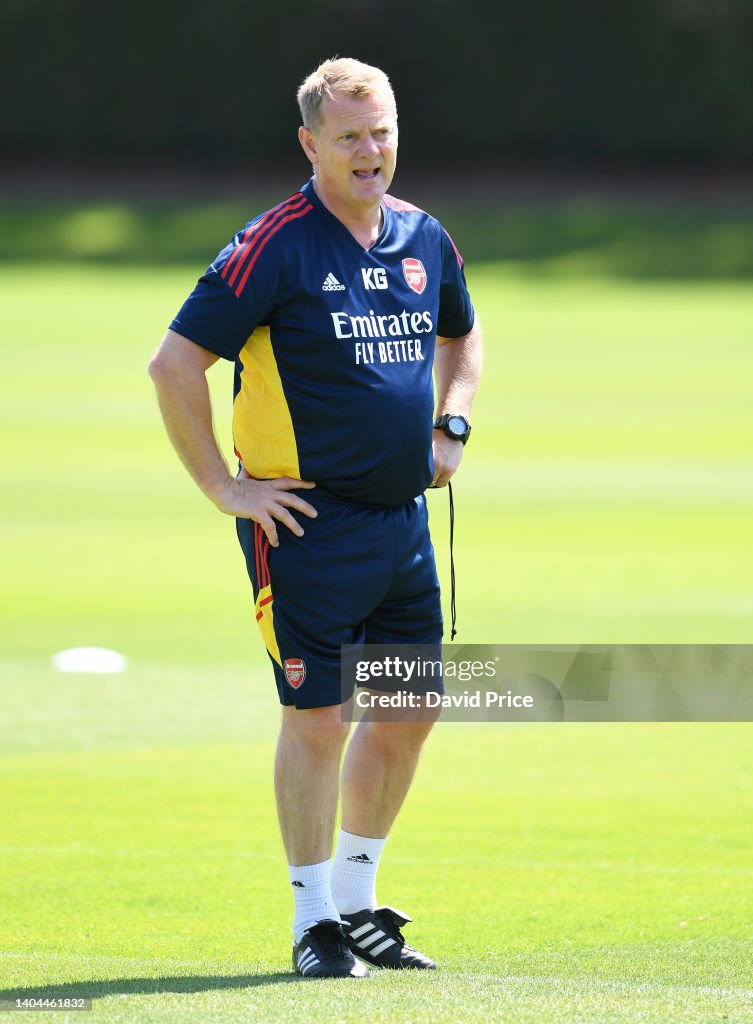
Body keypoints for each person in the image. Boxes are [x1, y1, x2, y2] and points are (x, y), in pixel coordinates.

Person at [148, 57, 482, 979]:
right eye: (348, 137)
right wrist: (226, 489)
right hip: (303, 527)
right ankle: (311, 924)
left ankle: (357, 898)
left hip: (401, 524)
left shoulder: (424, 236)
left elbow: (463, 329)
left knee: (411, 707)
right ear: (310, 144)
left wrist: (451, 421)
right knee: (319, 718)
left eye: (381, 132)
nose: (370, 151)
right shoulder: (273, 245)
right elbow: (173, 367)